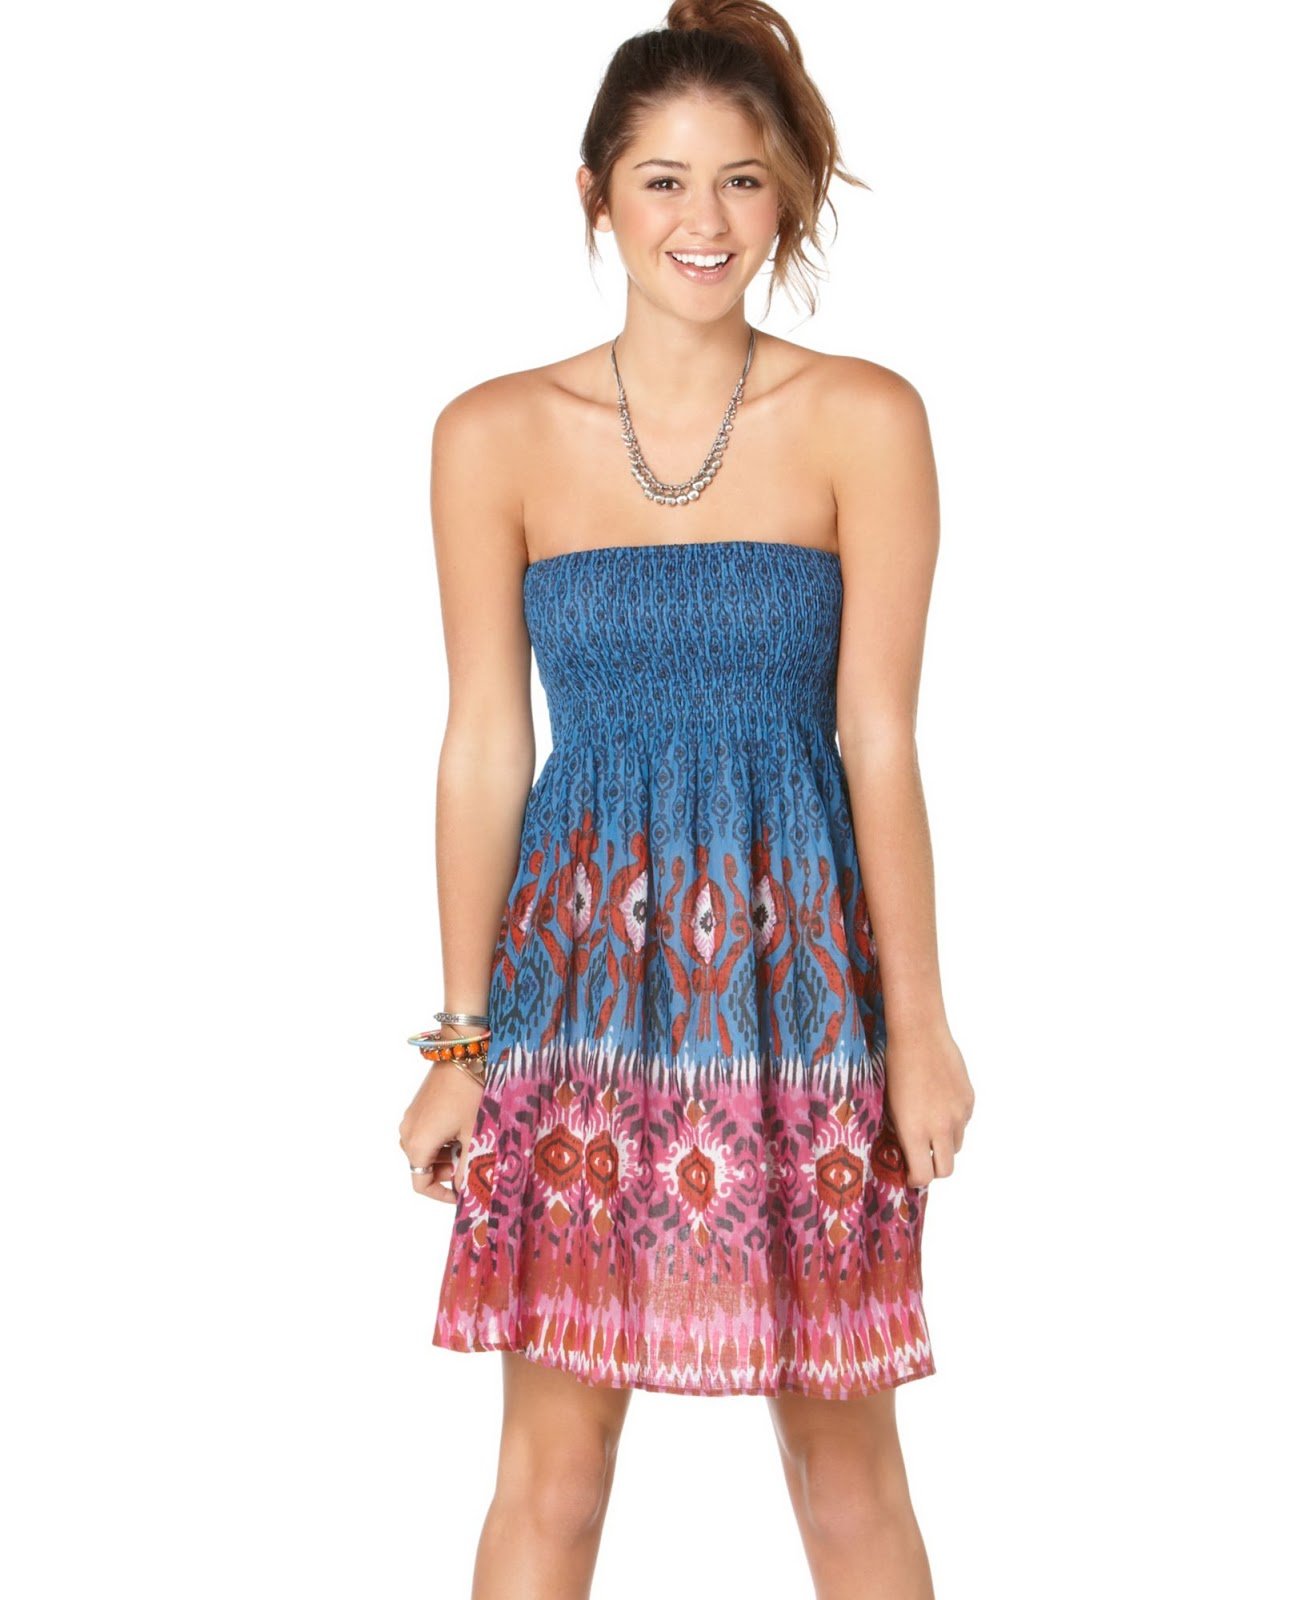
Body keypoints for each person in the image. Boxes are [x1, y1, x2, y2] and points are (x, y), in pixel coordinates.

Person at [398, 3, 974, 1594]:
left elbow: (878, 739)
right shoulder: (491, 435)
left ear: (785, 195)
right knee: (553, 1472)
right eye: (661, 180)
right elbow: (483, 745)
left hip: (801, 989)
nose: (701, 221)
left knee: (843, 1467)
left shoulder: (865, 419)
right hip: (572, 992)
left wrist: (918, 1029)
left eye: (739, 180)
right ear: (593, 193)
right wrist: (457, 1045)